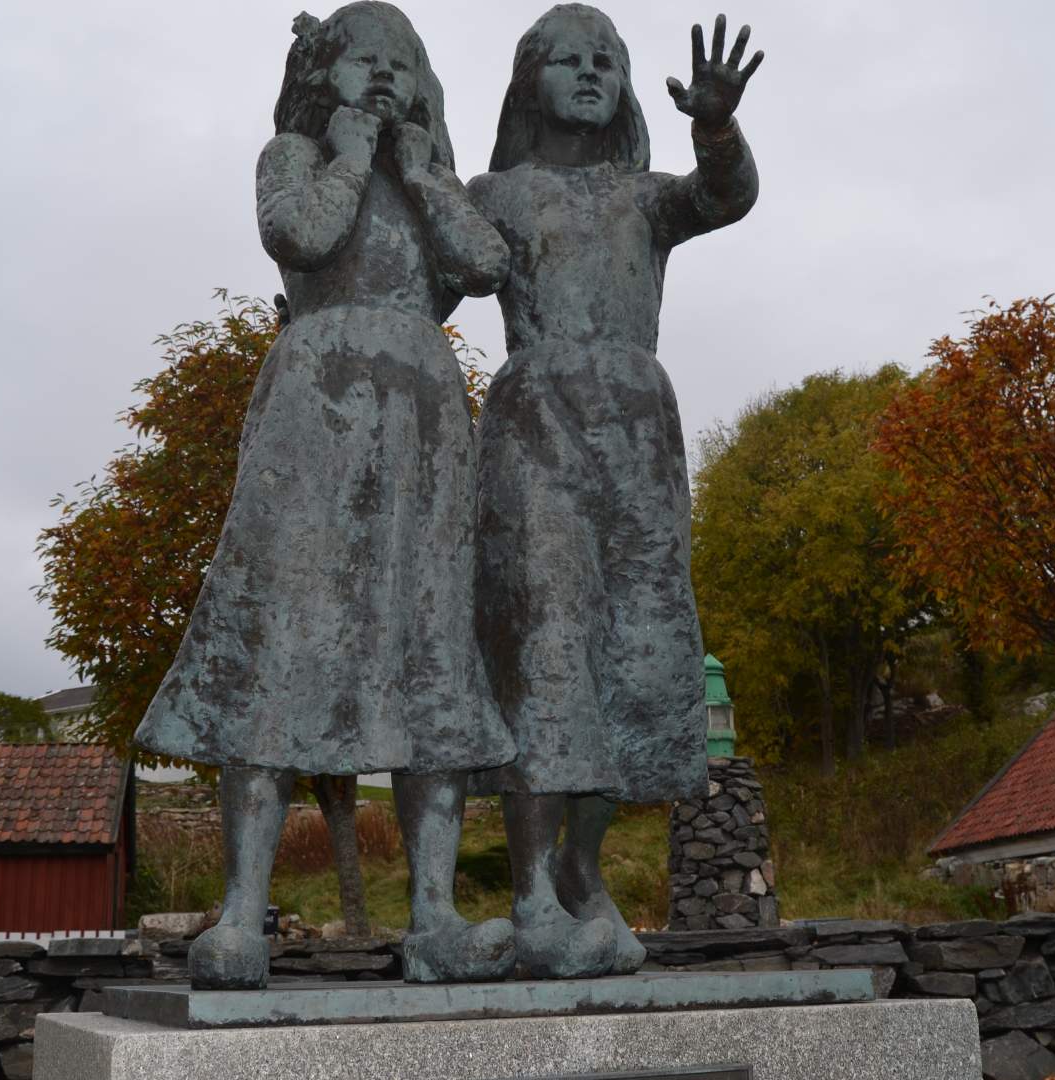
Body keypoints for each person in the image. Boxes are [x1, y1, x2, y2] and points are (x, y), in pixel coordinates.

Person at [135, 1, 517, 989]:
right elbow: (299, 238)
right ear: (320, 78)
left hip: (424, 408)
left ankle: (436, 917)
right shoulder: (291, 157)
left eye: (402, 62)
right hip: (318, 393)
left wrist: (426, 172)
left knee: (430, 643)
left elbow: (483, 266)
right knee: (284, 635)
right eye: (362, 61)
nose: (383, 77)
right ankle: (239, 915)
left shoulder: (432, 179)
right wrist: (351, 155)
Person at [469, 5, 764, 978]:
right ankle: (528, 898)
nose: (591, 72)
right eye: (568, 59)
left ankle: (580, 872)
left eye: (608, 60)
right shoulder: (497, 194)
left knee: (638, 658)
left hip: (637, 430)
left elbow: (725, 198)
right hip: (533, 424)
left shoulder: (646, 197)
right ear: (529, 81)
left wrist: (714, 127)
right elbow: (423, 270)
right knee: (549, 656)